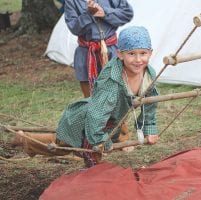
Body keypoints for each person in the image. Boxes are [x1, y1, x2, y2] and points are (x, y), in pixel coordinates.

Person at [12, 26, 160, 168]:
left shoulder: (148, 75)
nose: (138, 59)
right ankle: (25, 139)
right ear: (120, 54)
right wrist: (101, 141)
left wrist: (149, 130)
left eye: (143, 53)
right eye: (131, 54)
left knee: (78, 148)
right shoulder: (112, 79)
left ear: (150, 53)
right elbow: (96, 115)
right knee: (62, 145)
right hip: (87, 118)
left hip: (109, 121)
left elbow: (149, 105)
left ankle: (92, 170)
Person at [65, 0, 134, 97]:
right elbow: (74, 27)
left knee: (115, 93)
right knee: (89, 98)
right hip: (86, 53)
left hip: (111, 51)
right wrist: (88, 14)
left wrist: (105, 12)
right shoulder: (72, 1)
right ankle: (93, 110)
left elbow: (127, 13)